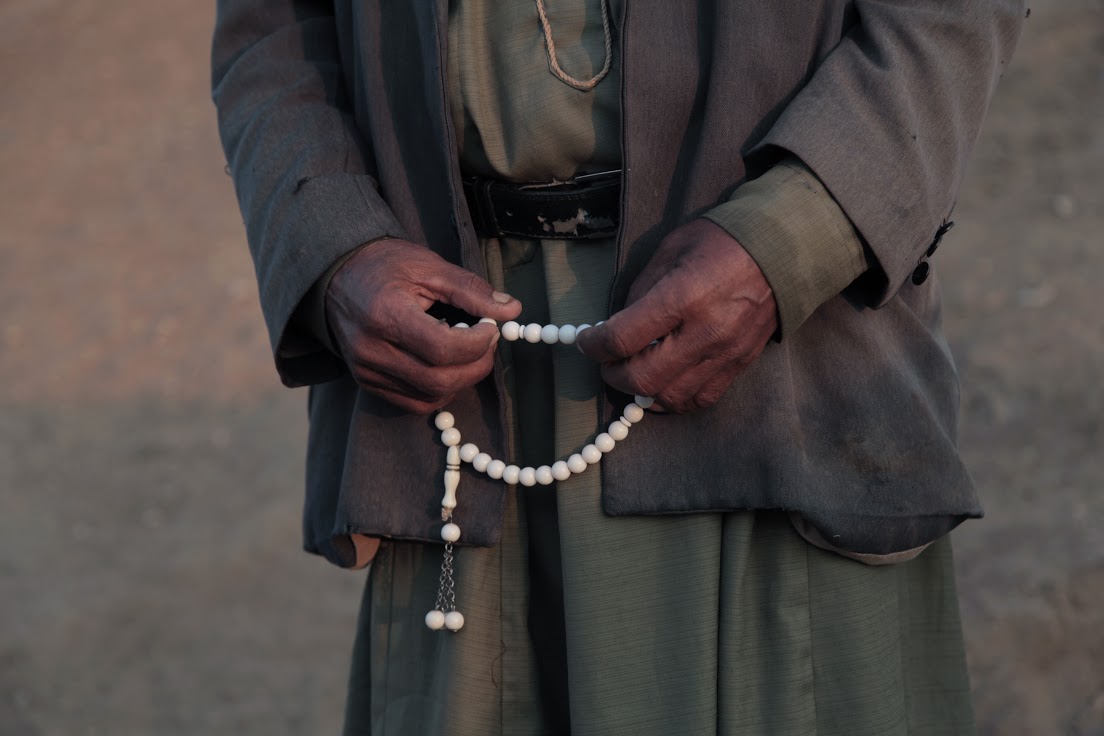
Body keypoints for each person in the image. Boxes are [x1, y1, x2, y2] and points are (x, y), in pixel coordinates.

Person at [212, 1, 1025, 733]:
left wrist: (797, 235)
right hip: (454, 426)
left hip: (784, 386)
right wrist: (330, 243)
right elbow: (272, 28)